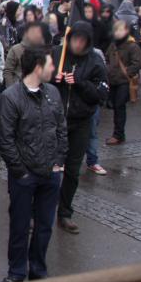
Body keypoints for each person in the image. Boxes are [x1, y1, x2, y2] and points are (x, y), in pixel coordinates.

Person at [0, 48, 67, 282]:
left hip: (50, 174)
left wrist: (58, 162)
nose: (53, 69)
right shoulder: (10, 97)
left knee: (44, 227)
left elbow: (61, 129)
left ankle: (38, 270)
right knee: (19, 227)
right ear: (38, 66)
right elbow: (5, 141)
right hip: (24, 177)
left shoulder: (53, 93)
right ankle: (16, 272)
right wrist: (21, 172)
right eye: (49, 64)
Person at [52, 21, 108, 234]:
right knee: (48, 169)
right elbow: (37, 79)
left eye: (82, 40)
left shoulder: (95, 61)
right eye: (74, 39)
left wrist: (80, 82)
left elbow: (101, 95)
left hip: (80, 122)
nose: (77, 44)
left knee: (73, 171)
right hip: (55, 122)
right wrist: (52, 79)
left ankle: (65, 213)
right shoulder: (58, 53)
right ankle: (37, 211)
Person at [105, 20, 141, 145]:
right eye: (116, 30)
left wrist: (126, 73)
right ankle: (118, 133)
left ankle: (118, 134)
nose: (117, 33)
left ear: (126, 31)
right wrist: (108, 70)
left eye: (120, 30)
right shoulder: (113, 45)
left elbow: (137, 63)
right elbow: (107, 58)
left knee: (119, 106)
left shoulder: (132, 46)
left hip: (124, 81)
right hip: (113, 80)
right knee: (115, 106)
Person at [3, 22, 46, 88]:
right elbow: (8, 71)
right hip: (18, 86)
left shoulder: (40, 49)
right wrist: (11, 88)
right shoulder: (15, 49)